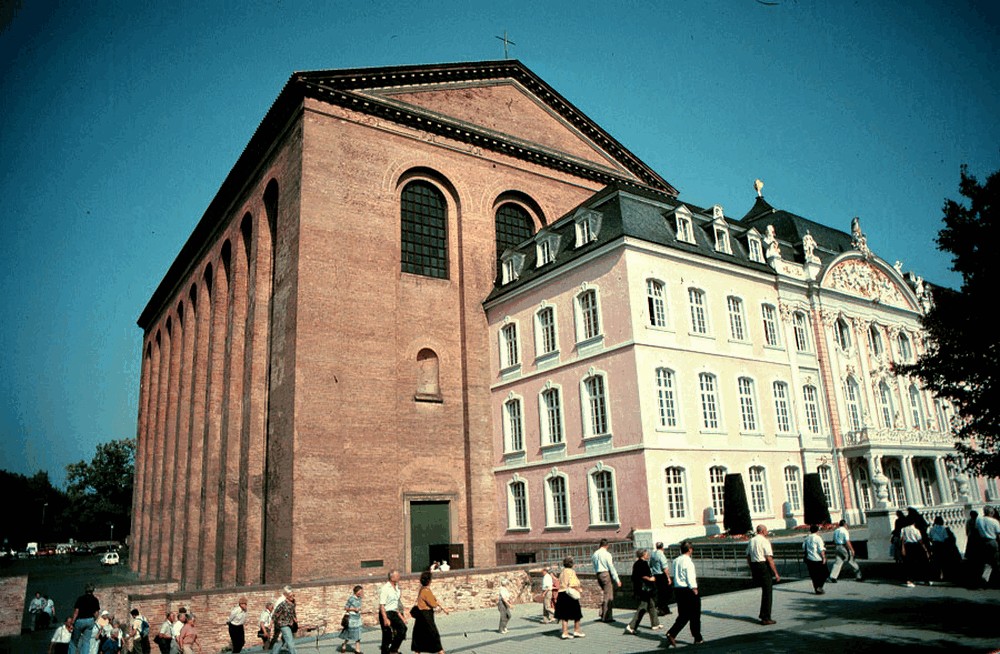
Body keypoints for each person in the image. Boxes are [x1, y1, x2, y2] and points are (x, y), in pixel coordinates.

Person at [665, 541, 702, 647]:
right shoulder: (688, 562)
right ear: (690, 550)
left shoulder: (676, 560)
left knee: (683, 615)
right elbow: (690, 576)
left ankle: (672, 633)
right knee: (695, 615)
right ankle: (697, 637)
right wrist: (694, 588)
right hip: (688, 590)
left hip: (678, 589)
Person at [746, 525, 780, 625]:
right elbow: (769, 558)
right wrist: (776, 573)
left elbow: (748, 556)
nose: (767, 532)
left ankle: (763, 615)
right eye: (766, 530)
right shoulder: (765, 541)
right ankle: (766, 617)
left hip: (755, 565)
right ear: (763, 531)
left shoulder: (751, 540)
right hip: (763, 566)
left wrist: (751, 568)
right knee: (767, 592)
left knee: (764, 591)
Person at [411, 571, 449, 654]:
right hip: (426, 615)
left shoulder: (423, 589)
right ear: (429, 581)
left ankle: (418, 652)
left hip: (421, 616)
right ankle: (440, 651)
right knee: (433, 634)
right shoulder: (426, 591)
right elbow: (433, 603)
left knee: (419, 636)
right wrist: (439, 607)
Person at [624, 549, 660, 634]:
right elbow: (643, 575)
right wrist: (650, 579)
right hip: (645, 589)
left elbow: (634, 576)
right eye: (647, 554)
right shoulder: (643, 564)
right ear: (643, 555)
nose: (648, 555)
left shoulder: (636, 563)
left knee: (651, 605)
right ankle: (631, 626)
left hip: (639, 588)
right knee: (643, 607)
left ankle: (655, 624)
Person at [591, 538, 621, 623]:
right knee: (608, 595)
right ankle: (606, 616)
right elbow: (611, 567)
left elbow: (594, 563)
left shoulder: (595, 554)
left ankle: (602, 613)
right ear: (607, 545)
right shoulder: (607, 554)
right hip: (605, 573)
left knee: (606, 593)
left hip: (598, 574)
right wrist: (617, 579)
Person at [554, 557, 584, 640]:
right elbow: (573, 584)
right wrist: (579, 590)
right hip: (569, 594)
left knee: (564, 615)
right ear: (572, 564)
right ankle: (577, 630)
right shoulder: (571, 572)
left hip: (561, 594)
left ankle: (564, 632)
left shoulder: (562, 572)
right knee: (577, 614)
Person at [379, 570, 407, 654]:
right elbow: (382, 605)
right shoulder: (385, 588)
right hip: (386, 613)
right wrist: (385, 619)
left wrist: (402, 617)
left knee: (403, 629)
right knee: (387, 636)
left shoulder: (397, 588)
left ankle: (393, 650)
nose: (399, 577)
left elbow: (395, 604)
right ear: (392, 577)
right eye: (397, 575)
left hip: (394, 613)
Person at [68, 584, 100, 654]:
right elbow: (97, 613)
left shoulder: (80, 599)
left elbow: (76, 611)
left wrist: (73, 622)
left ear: (85, 590)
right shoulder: (95, 600)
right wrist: (93, 620)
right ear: (93, 590)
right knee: (86, 641)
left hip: (80, 620)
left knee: (74, 641)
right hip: (90, 620)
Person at [928, 515, 959, 581]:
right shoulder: (943, 529)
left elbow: (930, 537)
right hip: (941, 545)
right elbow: (946, 538)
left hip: (935, 545)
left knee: (936, 560)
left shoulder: (932, 529)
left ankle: (937, 575)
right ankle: (944, 575)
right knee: (943, 560)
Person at [975, 505, 1000, 587]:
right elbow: (998, 533)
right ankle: (996, 579)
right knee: (996, 560)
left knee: (987, 561)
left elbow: (976, 530)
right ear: (991, 513)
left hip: (982, 542)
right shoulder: (994, 521)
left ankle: (985, 578)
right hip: (992, 541)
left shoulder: (979, 520)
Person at [900, 515, 928, 587]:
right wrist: (925, 548)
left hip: (907, 546)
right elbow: (920, 540)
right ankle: (925, 579)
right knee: (921, 562)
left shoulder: (903, 529)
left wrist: (903, 548)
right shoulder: (916, 530)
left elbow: (902, 539)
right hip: (915, 546)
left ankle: (909, 580)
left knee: (909, 563)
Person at [270, 588, 298, 654]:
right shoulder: (283, 604)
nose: (292, 597)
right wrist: (270, 624)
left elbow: (293, 613)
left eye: (293, 595)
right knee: (290, 641)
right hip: (283, 624)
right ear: (287, 596)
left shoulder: (292, 604)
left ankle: (274, 652)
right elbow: (275, 614)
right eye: (291, 596)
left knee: (283, 640)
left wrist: (295, 620)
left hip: (290, 624)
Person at [338, 586, 364, 654]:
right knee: (349, 634)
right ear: (356, 591)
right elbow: (346, 608)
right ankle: (344, 644)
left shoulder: (360, 598)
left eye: (362, 591)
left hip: (358, 618)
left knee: (358, 634)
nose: (361, 593)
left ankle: (357, 650)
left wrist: (361, 611)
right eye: (360, 592)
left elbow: (359, 608)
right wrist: (354, 609)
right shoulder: (351, 599)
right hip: (351, 618)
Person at [803, 524, 827, 594]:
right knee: (824, 573)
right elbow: (821, 549)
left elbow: (803, 547)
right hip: (817, 558)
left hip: (809, 559)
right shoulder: (818, 538)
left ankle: (816, 588)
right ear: (817, 530)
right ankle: (819, 586)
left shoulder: (807, 538)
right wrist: (824, 557)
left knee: (814, 575)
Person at [650, 542, 672, 616]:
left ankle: (665, 609)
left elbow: (650, 565)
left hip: (656, 575)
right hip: (662, 575)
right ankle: (662, 609)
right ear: (662, 547)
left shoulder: (653, 554)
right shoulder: (661, 555)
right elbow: (665, 567)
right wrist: (668, 578)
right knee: (666, 593)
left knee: (660, 592)